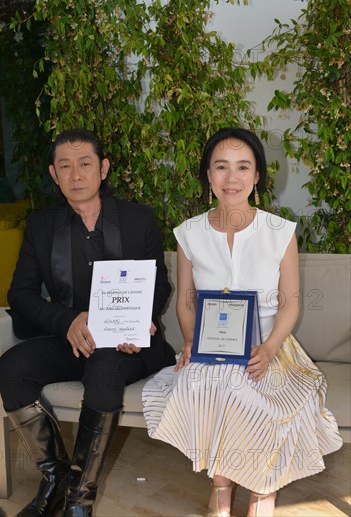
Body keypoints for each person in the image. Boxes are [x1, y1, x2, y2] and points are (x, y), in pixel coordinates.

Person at [142, 127, 343, 517]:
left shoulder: (279, 232)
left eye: (242, 167)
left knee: (251, 388)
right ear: (208, 176)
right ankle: (222, 484)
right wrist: (188, 340)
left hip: (271, 344)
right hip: (209, 344)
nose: (231, 178)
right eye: (221, 167)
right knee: (205, 380)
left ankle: (260, 486)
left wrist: (268, 349)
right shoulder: (189, 233)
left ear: (256, 178)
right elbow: (187, 303)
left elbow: (290, 306)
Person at [0, 128, 176, 517]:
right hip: (69, 340)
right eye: (65, 166)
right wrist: (66, 320)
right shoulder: (42, 226)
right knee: (11, 368)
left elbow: (159, 281)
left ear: (103, 168)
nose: (75, 175)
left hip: (127, 347)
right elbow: (21, 294)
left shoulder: (137, 219)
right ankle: (55, 477)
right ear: (54, 174)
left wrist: (137, 323)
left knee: (104, 371)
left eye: (85, 164)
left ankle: (80, 499)